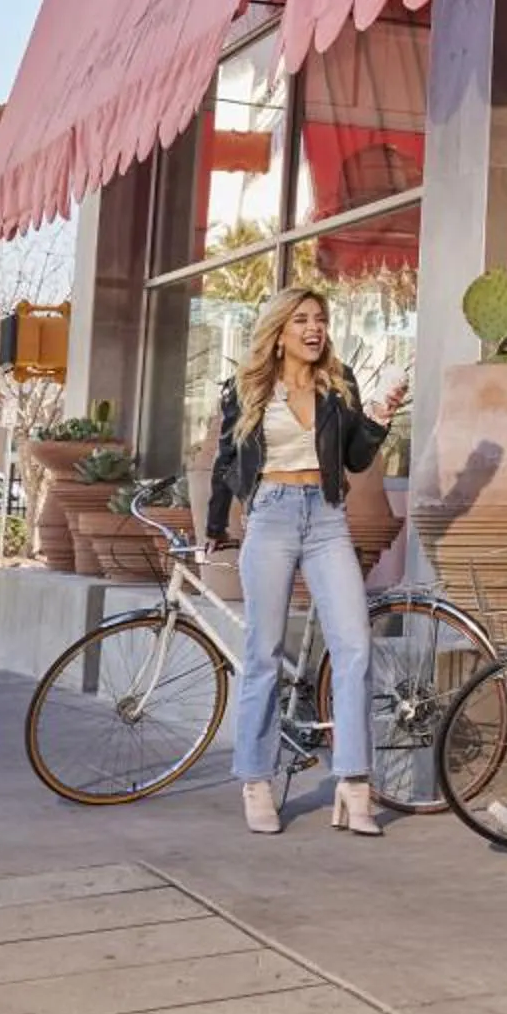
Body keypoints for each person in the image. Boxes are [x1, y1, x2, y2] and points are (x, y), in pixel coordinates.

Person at [206, 286, 408, 837]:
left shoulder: (338, 386)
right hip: (269, 515)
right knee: (264, 652)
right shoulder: (246, 389)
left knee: (355, 646)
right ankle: (255, 778)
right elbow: (227, 462)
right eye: (302, 320)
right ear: (280, 330)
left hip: (326, 518)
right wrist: (214, 527)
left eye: (320, 319)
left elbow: (355, 459)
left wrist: (379, 419)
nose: (314, 328)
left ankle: (353, 783)